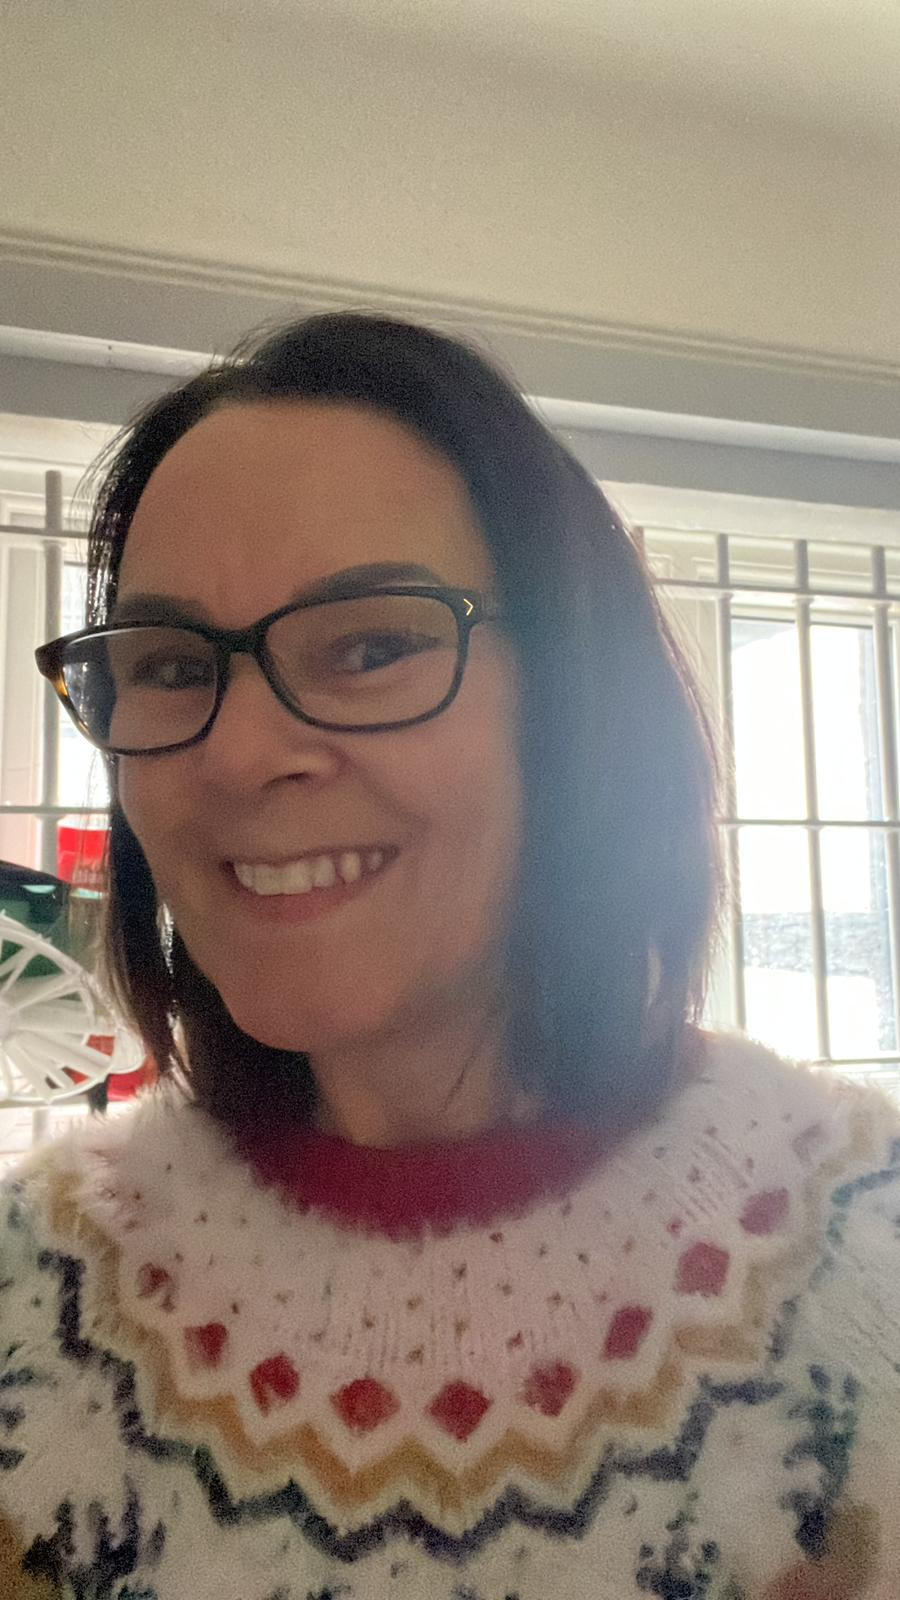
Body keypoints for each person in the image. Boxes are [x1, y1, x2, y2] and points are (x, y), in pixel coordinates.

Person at [1, 312, 898, 1600]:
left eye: (372, 646)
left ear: (575, 706)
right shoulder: (34, 1300)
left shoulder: (862, 1258)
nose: (238, 755)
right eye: (171, 665)